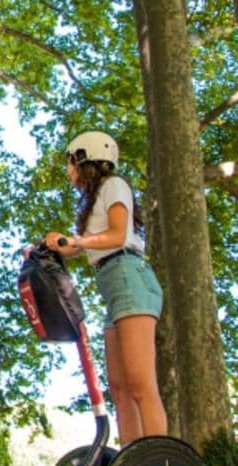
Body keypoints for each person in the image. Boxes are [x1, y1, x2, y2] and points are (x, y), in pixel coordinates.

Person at [44, 130, 166, 445]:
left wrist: (76, 240)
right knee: (120, 387)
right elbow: (78, 248)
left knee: (141, 384)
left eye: (70, 162)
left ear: (85, 157)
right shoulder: (93, 199)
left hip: (129, 276)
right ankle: (132, 463)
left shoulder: (115, 185)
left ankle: (160, 461)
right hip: (113, 284)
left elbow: (115, 235)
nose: (68, 170)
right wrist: (48, 247)